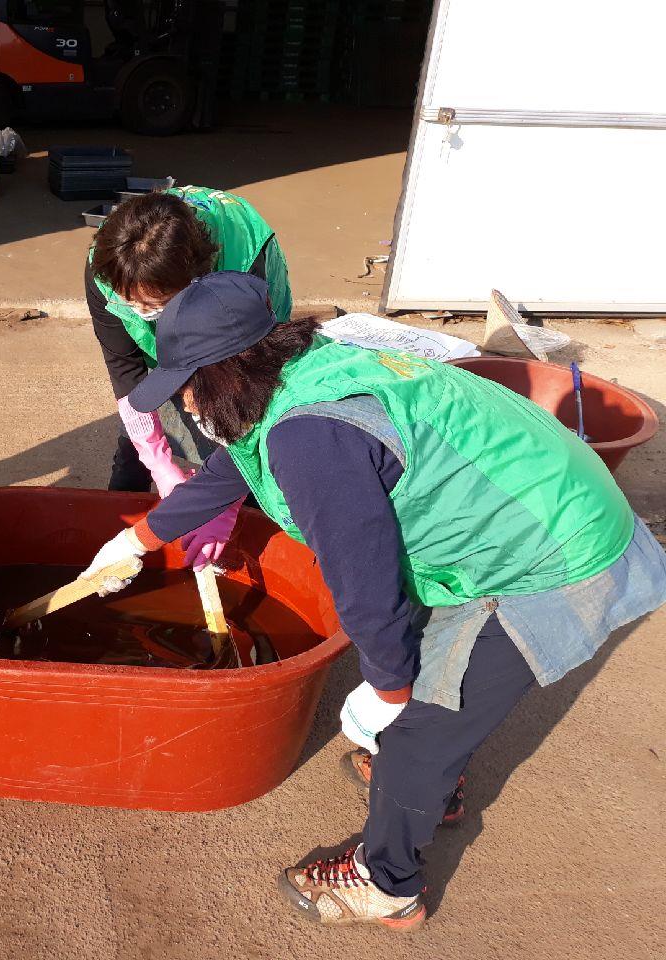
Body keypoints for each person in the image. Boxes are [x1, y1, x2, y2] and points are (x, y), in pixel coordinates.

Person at [81, 272, 666, 930]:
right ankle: (428, 785)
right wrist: (141, 537)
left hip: (548, 555)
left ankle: (388, 882)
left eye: (187, 386)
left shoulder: (310, 441)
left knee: (422, 723)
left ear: (225, 373)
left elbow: (366, 580)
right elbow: (236, 463)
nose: (184, 406)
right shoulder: (302, 367)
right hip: (537, 495)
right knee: (423, 703)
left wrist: (388, 689)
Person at [86, 187, 291, 571]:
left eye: (153, 304)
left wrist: (225, 503)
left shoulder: (244, 271)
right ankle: (125, 506)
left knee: (233, 427)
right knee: (137, 436)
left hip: (240, 325)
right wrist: (159, 462)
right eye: (129, 301)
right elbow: (125, 370)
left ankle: (238, 523)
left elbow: (254, 390)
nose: (138, 311)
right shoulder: (109, 264)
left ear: (197, 279)